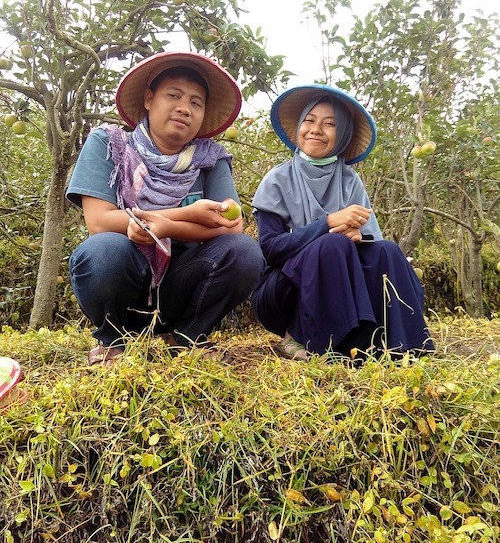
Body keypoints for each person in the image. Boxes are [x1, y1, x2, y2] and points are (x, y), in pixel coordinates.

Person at [66, 51, 265, 366]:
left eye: (196, 103)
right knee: (103, 249)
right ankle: (111, 341)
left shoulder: (211, 160)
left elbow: (232, 225)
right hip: (123, 279)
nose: (184, 108)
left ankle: (186, 337)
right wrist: (186, 215)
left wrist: (167, 227)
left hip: (181, 287)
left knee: (244, 252)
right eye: (174, 96)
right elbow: (100, 222)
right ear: (148, 99)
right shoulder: (107, 144)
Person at [251, 84, 435, 361]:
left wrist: (358, 238)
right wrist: (326, 223)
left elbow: (368, 243)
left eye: (329, 124)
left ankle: (400, 344)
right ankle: (303, 337)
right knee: (332, 244)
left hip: (341, 287)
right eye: (309, 121)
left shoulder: (349, 181)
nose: (315, 129)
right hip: (282, 296)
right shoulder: (277, 179)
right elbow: (270, 248)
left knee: (387, 251)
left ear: (343, 135)